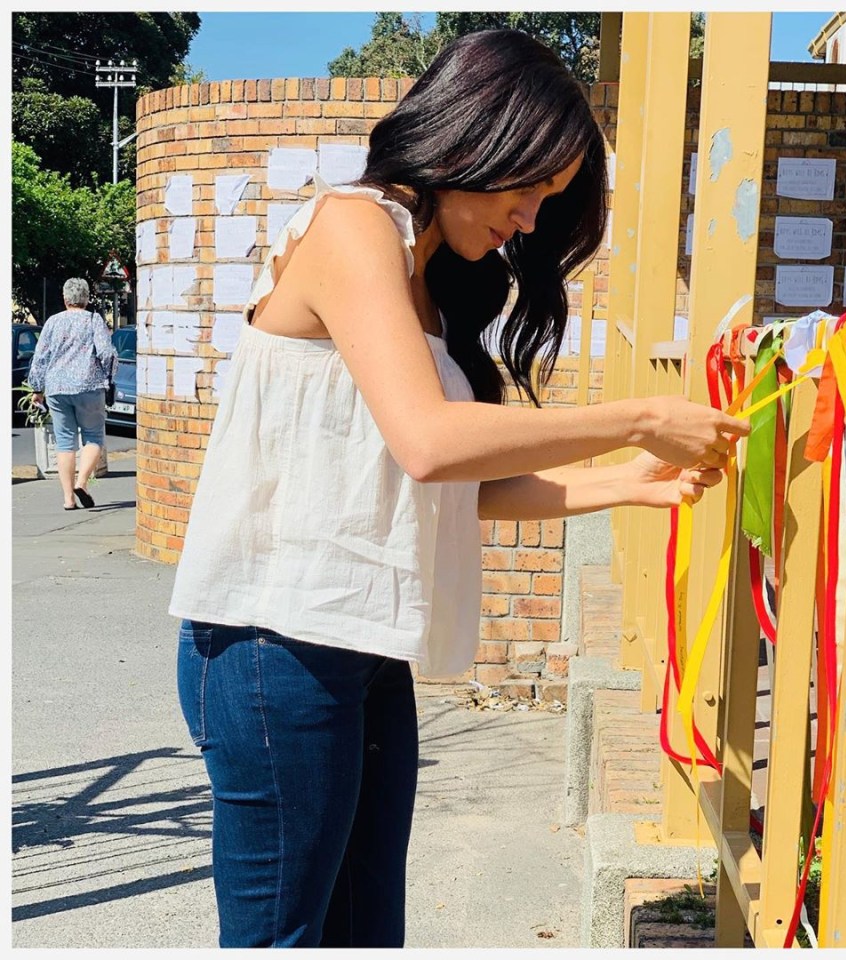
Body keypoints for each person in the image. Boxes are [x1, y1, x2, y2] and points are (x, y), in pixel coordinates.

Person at [170, 29, 748, 948]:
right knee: (280, 940)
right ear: (473, 139)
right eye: (527, 192)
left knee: (366, 935)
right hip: (272, 644)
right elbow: (433, 444)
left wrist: (629, 484)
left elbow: (452, 488)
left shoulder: (434, 286)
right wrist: (637, 416)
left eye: (545, 204)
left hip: (356, 648)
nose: (527, 223)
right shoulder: (351, 226)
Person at [27, 277, 117, 510]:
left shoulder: (53, 322)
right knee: (94, 436)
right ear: (86, 298)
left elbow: (40, 358)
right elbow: (106, 353)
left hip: (57, 388)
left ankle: (68, 499)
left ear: (65, 298)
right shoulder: (93, 320)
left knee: (64, 442)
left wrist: (37, 389)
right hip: (89, 386)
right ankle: (82, 482)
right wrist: (108, 377)